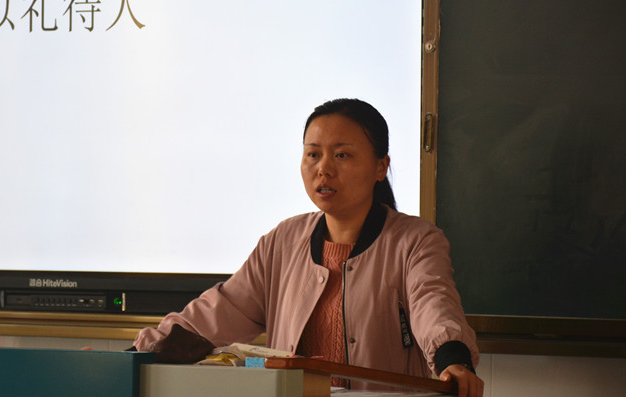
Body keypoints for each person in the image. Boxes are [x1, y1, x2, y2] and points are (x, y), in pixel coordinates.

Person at [133, 98, 484, 397]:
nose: (323, 169)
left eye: (342, 155)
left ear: (381, 167)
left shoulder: (415, 241)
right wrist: (138, 352)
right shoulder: (283, 241)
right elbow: (218, 312)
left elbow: (433, 304)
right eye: (313, 154)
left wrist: (453, 360)